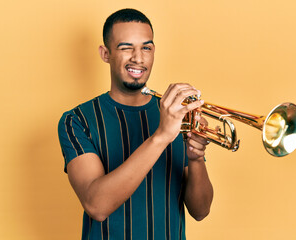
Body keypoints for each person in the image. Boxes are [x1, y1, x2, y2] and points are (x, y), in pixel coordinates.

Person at [58, 8, 213, 240]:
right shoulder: (76, 120)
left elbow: (200, 211)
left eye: (146, 47)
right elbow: (96, 205)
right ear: (105, 53)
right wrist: (161, 136)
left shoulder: (176, 112)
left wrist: (196, 158)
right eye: (126, 47)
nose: (138, 58)